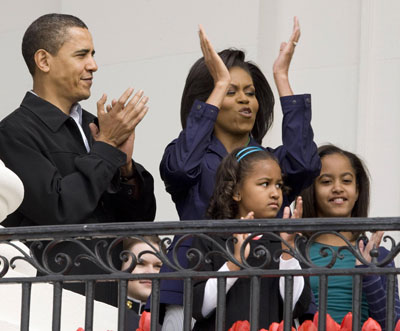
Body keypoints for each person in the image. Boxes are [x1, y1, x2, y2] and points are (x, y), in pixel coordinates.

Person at [157, 18, 320, 328]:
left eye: (251, 92)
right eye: (232, 92)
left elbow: (306, 164)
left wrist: (281, 77)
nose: (245, 99)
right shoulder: (187, 154)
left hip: (265, 287)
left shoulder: (271, 162)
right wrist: (218, 86)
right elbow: (179, 170)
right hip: (193, 280)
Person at [0, 13, 156, 305]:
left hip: (108, 298)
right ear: (44, 61)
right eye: (82, 54)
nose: (93, 65)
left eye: (93, 55)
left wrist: (125, 168)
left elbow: (138, 221)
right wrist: (106, 146)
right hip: (48, 302)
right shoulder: (14, 132)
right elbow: (58, 209)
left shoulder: (95, 125)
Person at [191, 147, 311, 330]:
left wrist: (287, 251)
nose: (275, 193)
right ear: (236, 192)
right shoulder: (211, 239)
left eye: (278, 185)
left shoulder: (289, 240)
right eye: (265, 183)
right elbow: (200, 308)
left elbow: (296, 307)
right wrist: (234, 264)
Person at [301, 144, 400, 330]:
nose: (337, 188)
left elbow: (391, 324)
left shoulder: (379, 254)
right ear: (311, 191)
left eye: (346, 181)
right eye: (326, 182)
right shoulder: (297, 251)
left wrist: (367, 270)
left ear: (358, 191)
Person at [122, 236, 163, 330]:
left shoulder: (171, 318)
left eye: (158, 266)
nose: (150, 272)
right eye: (140, 264)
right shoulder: (103, 312)